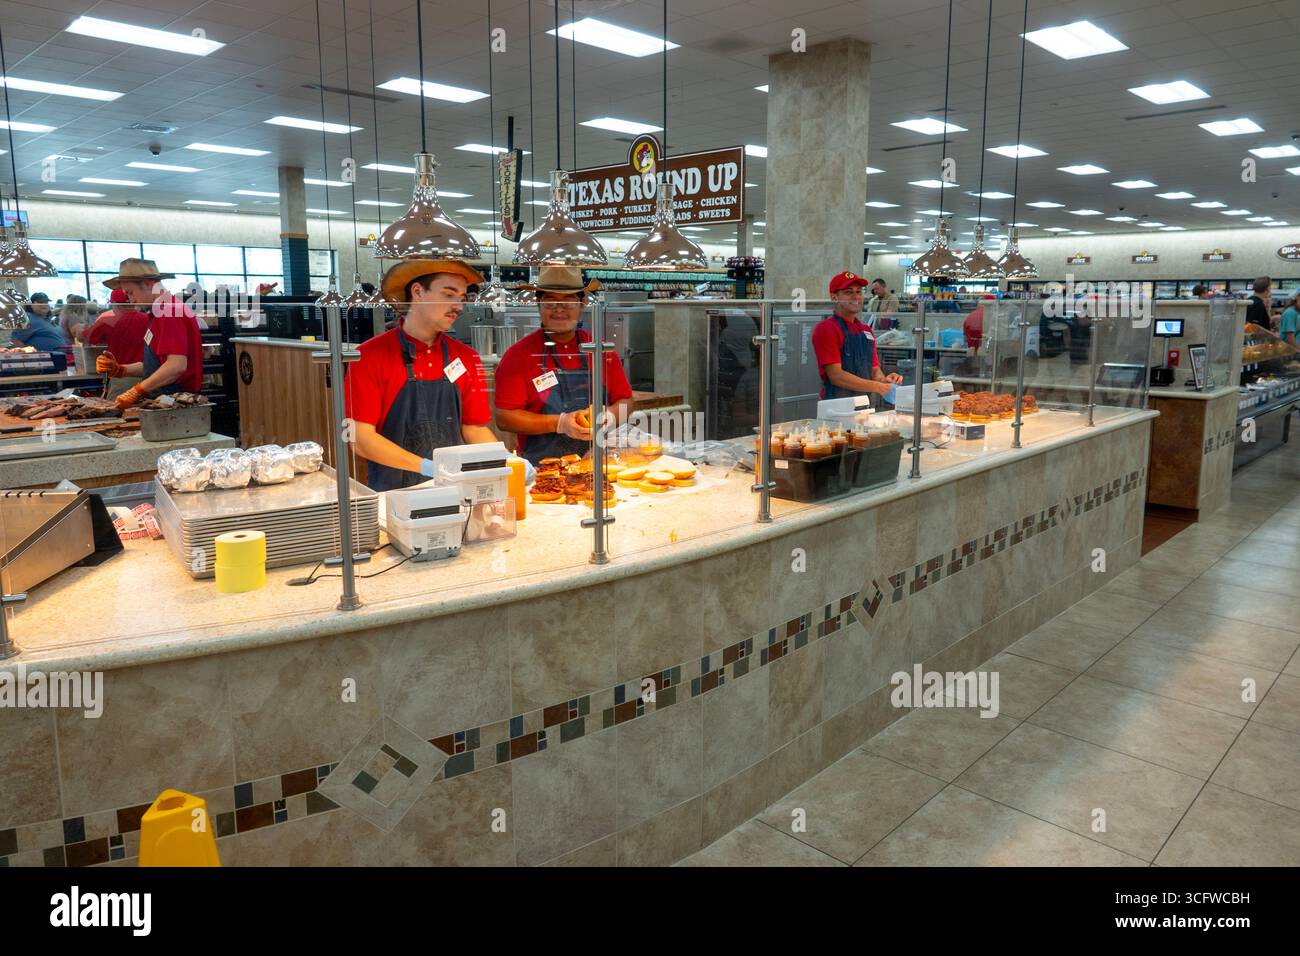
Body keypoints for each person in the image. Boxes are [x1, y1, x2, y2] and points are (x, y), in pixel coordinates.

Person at [343, 259, 496, 492]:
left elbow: (474, 429)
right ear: (418, 292)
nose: (458, 306)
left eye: (462, 298)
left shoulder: (466, 357)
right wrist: (427, 467)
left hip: (453, 489)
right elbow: (360, 439)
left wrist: (503, 461)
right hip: (393, 495)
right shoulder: (368, 356)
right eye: (448, 295)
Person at [494, 265, 633, 464]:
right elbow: (505, 418)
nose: (559, 310)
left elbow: (625, 402)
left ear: (582, 304)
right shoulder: (519, 355)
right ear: (538, 304)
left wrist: (609, 416)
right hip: (543, 470)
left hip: (598, 464)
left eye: (568, 301)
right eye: (551, 302)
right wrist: (560, 423)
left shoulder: (600, 350)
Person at [96, 258, 205, 408]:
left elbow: (176, 366)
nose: (130, 299)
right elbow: (158, 365)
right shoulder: (159, 313)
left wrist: (137, 390)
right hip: (166, 398)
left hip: (178, 402)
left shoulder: (169, 311)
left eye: (130, 292)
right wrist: (122, 369)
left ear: (148, 283)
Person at [812, 271, 904, 401]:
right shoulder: (826, 329)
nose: (856, 297)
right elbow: (836, 376)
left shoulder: (866, 331)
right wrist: (878, 387)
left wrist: (886, 381)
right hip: (835, 408)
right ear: (834, 297)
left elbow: (874, 371)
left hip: (863, 406)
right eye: (849, 292)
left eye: (859, 292)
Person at [84, 288, 149, 399]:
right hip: (150, 379)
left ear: (114, 304)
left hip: (123, 379)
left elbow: (85, 338)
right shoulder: (148, 319)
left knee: (115, 413)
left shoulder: (108, 321)